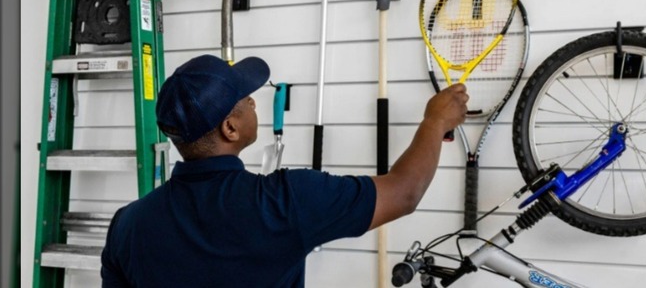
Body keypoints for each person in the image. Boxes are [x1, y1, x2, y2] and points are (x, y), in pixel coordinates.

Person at [101, 54, 468, 287]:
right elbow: (405, 192)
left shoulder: (127, 225)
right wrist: (435, 121)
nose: (252, 100)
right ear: (230, 128)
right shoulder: (284, 200)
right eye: (244, 98)